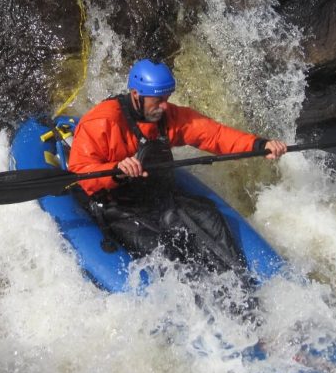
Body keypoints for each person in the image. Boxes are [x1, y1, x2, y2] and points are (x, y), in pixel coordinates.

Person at [68, 59, 287, 282]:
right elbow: (80, 173)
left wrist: (260, 145)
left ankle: (241, 287)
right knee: (164, 251)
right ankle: (194, 303)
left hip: (159, 199)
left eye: (167, 98)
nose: (164, 106)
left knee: (210, 220)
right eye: (158, 100)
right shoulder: (101, 122)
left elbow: (214, 134)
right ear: (136, 94)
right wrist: (115, 170)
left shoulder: (168, 117)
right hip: (118, 207)